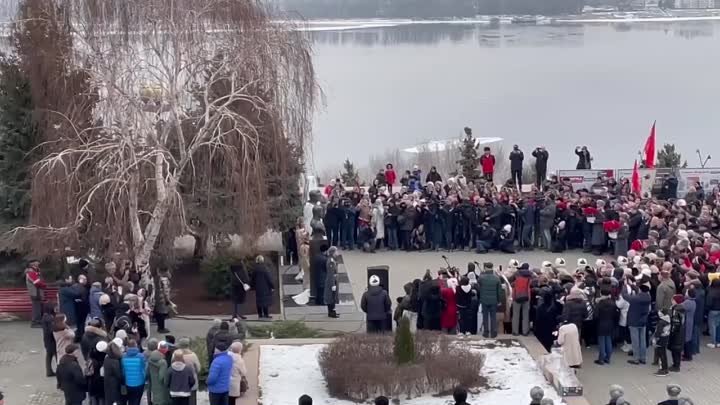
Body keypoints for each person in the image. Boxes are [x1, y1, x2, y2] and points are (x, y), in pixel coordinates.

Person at [624, 282, 651, 365]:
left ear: (640, 290)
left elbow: (625, 296)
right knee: (642, 340)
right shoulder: (648, 297)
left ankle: (636, 359)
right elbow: (639, 289)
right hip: (643, 321)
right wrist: (632, 285)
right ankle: (643, 358)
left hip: (634, 321)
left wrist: (625, 286)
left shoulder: (635, 298)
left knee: (635, 341)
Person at [477, 262, 502, 338]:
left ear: (485, 268)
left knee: (485, 316)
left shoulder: (481, 278)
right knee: (493, 316)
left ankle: (486, 332)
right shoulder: (497, 278)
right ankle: (494, 332)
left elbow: (478, 288)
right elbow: (499, 291)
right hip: (494, 300)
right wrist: (499, 300)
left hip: (484, 300)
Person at [595, 289, 619, 365]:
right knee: (608, 340)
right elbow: (616, 314)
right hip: (610, 323)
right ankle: (608, 358)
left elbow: (596, 315)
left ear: (602, 294)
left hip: (601, 323)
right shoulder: (613, 303)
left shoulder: (600, 303)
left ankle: (601, 359)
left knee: (601, 342)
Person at [175, 337, 202, 405]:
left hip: (179, 384)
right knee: (192, 401)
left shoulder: (175, 355)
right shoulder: (193, 356)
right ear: (188, 344)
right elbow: (198, 369)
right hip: (192, 384)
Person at [122, 339, 147, 405]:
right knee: (137, 399)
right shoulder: (141, 356)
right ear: (136, 345)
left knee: (130, 399)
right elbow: (144, 368)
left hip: (128, 383)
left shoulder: (123, 356)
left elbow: (123, 370)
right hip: (139, 382)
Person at [250, 255, 275, 319]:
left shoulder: (255, 269)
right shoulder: (265, 268)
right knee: (265, 301)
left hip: (258, 287)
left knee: (259, 301)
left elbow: (253, 279)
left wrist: (252, 286)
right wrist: (272, 286)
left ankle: (260, 314)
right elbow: (269, 278)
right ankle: (266, 314)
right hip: (265, 287)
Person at [512, 263, 532, 336]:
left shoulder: (516, 274)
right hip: (526, 296)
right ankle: (525, 331)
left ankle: (515, 331)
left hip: (516, 296)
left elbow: (512, 284)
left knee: (516, 314)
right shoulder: (530, 275)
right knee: (525, 315)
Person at [25, 259, 46, 327]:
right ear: (32, 263)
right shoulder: (31, 272)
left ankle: (39, 321)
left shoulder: (37, 270)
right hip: (35, 292)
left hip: (38, 291)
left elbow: (39, 280)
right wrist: (44, 285)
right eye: (37, 261)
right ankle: (35, 322)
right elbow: (36, 282)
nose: (38, 262)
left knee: (39, 307)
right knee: (36, 307)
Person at [103, 341, 125, 405]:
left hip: (107, 384)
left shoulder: (106, 359)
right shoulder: (115, 362)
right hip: (114, 385)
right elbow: (119, 375)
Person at [668, 295, 685, 372]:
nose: (671, 301)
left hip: (676, 334)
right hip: (680, 333)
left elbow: (675, 323)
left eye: (673, 300)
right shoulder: (681, 309)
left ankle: (676, 366)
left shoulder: (676, 310)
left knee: (675, 350)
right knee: (677, 350)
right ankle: (676, 364)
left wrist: (672, 331)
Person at [87, 341, 107, 405]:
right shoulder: (106, 360)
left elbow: (87, 373)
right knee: (102, 400)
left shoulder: (91, 359)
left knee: (93, 400)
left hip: (92, 384)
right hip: (102, 384)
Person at [653, 308, 671, 376]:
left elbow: (658, 332)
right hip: (665, 338)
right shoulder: (668, 320)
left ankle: (663, 370)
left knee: (661, 355)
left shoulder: (661, 322)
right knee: (663, 354)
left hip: (660, 340)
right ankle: (665, 368)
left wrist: (655, 340)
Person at [41, 303, 58, 377]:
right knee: (57, 355)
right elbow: (52, 329)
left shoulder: (45, 317)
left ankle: (49, 371)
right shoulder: (50, 318)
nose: (56, 309)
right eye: (55, 307)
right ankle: (60, 371)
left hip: (46, 339)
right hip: (52, 340)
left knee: (49, 355)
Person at [324, 247, 340, 318]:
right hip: (331, 281)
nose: (337, 253)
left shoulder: (333, 260)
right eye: (336, 251)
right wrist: (332, 284)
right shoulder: (331, 261)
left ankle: (333, 311)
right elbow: (331, 274)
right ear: (333, 252)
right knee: (331, 298)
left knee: (333, 297)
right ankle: (331, 312)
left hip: (333, 280)